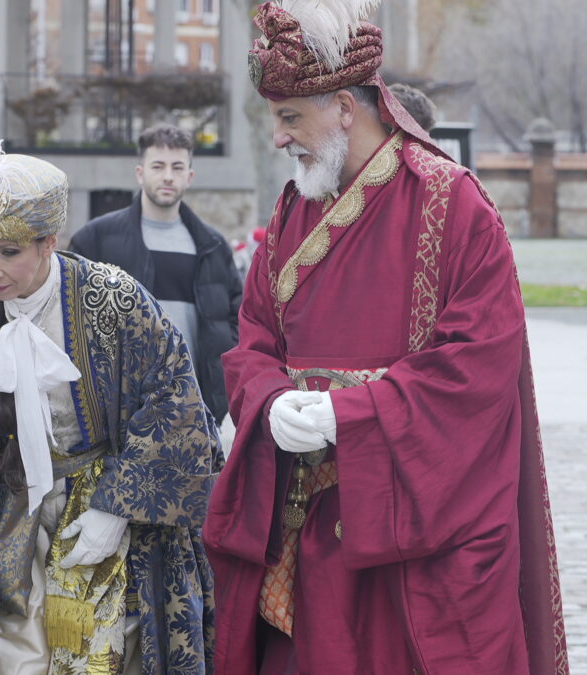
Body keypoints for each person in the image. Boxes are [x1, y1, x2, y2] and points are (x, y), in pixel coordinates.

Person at [202, 2, 567, 674]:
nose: (279, 138)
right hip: (301, 537)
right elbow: (252, 332)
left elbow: (475, 368)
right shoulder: (292, 211)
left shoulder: (455, 207)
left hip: (407, 546)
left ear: (345, 106)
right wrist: (268, 397)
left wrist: (352, 414)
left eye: (289, 117)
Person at [0, 114, 221, 673]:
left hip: (103, 504)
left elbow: (175, 400)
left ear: (48, 243)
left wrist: (118, 505)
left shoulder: (114, 300)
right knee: (12, 652)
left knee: (103, 655)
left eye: (8, 253)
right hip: (8, 503)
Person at [68, 123, 243, 426]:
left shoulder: (212, 246)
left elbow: (236, 319)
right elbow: (70, 317)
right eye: (158, 166)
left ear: (189, 177)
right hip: (121, 413)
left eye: (177, 167)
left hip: (197, 408)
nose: (167, 176)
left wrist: (221, 389)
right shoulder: (95, 239)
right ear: (140, 173)